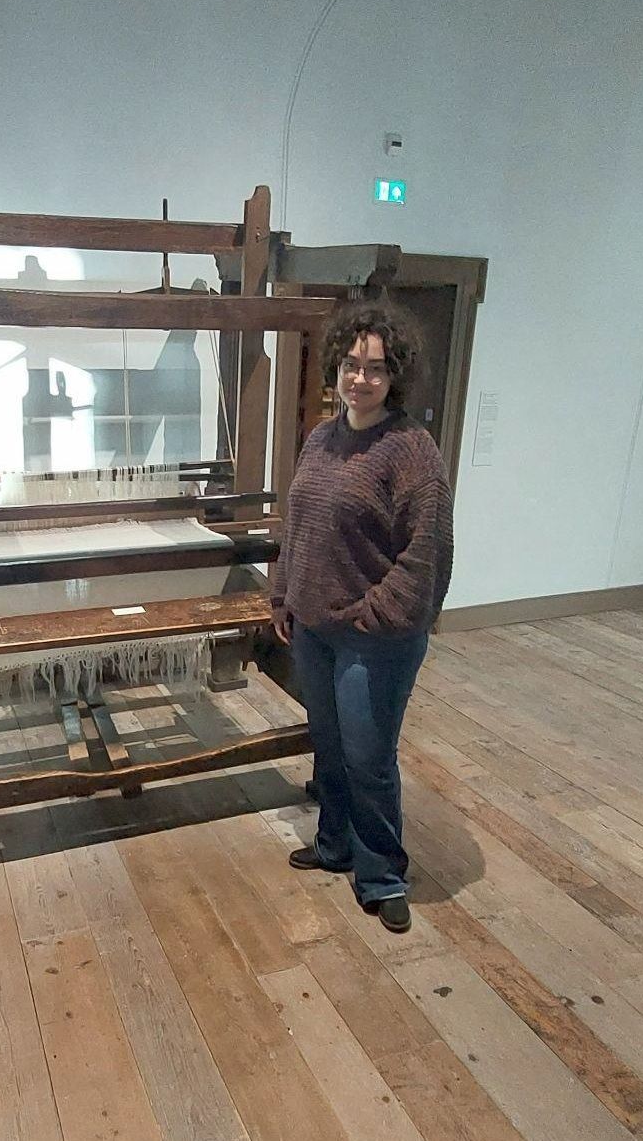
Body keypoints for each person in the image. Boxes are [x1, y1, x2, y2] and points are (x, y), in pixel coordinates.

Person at [270, 297, 454, 934]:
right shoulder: (322, 438)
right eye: (351, 364)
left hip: (375, 637)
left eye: (376, 368)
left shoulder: (411, 450)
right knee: (330, 746)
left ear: (395, 375)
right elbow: (298, 525)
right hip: (315, 628)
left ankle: (382, 875)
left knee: (368, 757)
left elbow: (427, 552)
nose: (360, 378)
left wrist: (372, 616)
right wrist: (283, 595)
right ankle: (335, 846)